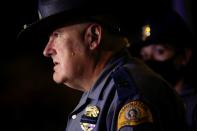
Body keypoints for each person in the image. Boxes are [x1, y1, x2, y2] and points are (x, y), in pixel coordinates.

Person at [17, 0, 188, 130]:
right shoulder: (102, 93)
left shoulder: (130, 95)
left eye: (56, 35)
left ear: (93, 37)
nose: (47, 50)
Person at [131, 10, 197, 131]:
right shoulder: (142, 105)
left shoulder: (193, 107)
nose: (150, 61)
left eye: (160, 51)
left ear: (184, 56)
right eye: (145, 55)